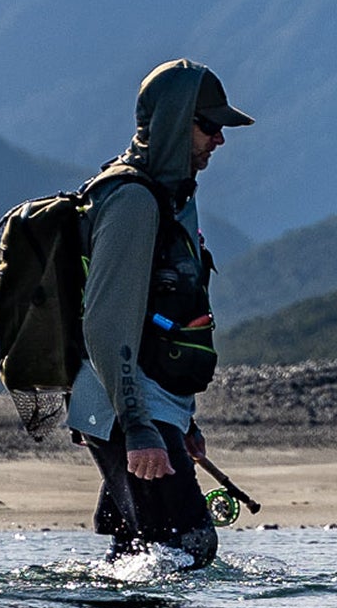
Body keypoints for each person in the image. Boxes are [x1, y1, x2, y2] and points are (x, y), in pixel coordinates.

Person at [68, 58, 248, 568]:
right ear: (175, 123)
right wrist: (143, 428)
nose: (219, 139)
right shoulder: (133, 203)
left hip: (148, 407)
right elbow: (105, 325)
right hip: (127, 411)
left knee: (138, 558)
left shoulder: (172, 199)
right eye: (209, 126)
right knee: (188, 548)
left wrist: (180, 421)